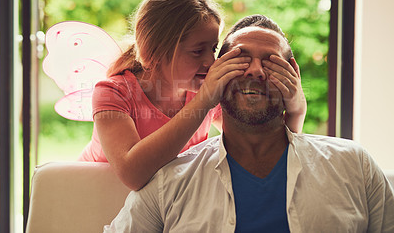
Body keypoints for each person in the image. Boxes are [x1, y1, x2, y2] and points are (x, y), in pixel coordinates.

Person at [103, 14, 394, 232]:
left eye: (270, 62)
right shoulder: (169, 183)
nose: (255, 71)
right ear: (215, 74)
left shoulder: (355, 165)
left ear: (292, 74)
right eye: (239, 59)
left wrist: (296, 104)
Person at [79, 0, 307, 191]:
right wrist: (203, 101)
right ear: (155, 51)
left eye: (213, 48)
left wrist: (296, 110)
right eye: (198, 51)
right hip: (91, 197)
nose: (210, 61)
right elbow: (132, 174)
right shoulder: (113, 93)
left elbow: (264, 151)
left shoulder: (206, 94)